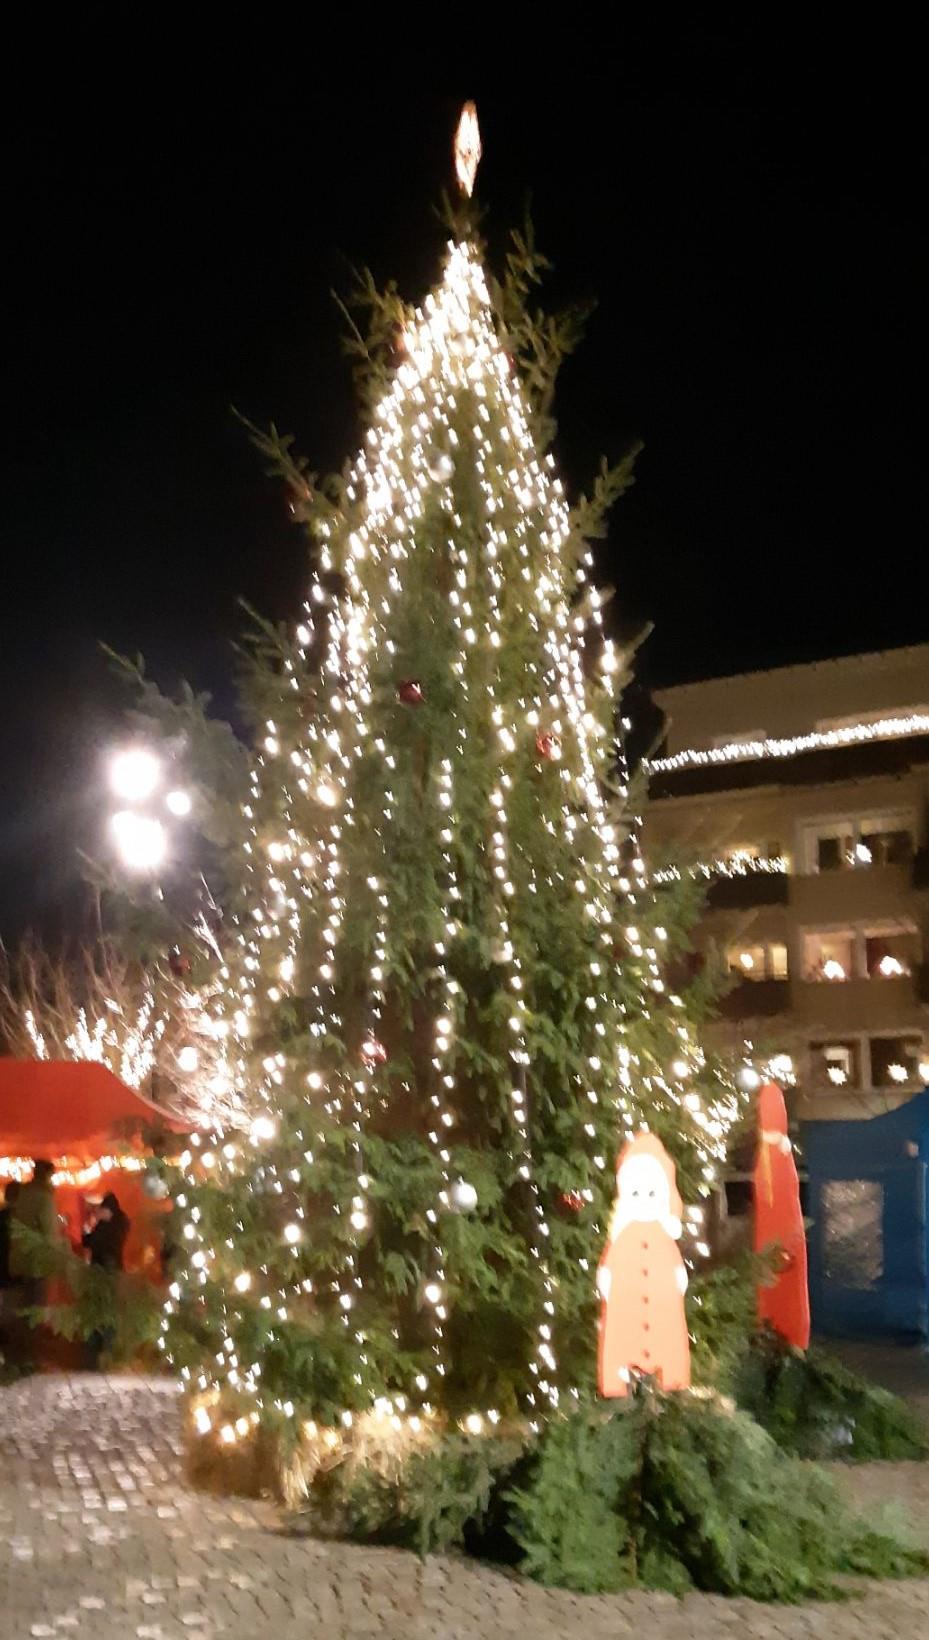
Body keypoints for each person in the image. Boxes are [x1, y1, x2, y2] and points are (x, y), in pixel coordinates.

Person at [82, 1192, 130, 1368]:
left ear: (107, 1210)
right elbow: (88, 1243)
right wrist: (86, 1231)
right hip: (99, 1271)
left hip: (109, 1273)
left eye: (100, 1210)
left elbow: (104, 1245)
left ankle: (106, 1347)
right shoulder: (103, 1224)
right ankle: (97, 1346)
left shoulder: (118, 1225)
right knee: (98, 1308)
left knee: (108, 1309)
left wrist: (91, 1236)